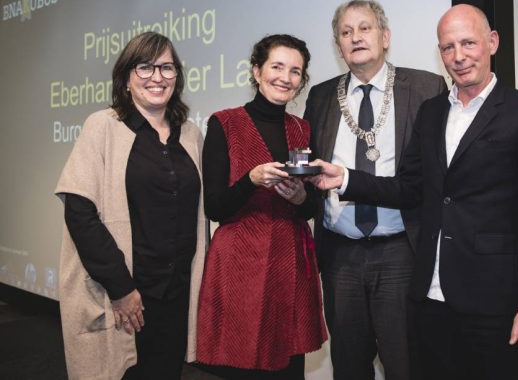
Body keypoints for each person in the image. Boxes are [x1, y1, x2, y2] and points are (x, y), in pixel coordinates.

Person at [310, 4, 518, 380]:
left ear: (492, 43)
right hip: (431, 297)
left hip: (494, 299)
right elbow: (409, 188)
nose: (458, 57)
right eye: (447, 47)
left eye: (468, 43)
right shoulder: (432, 112)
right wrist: (345, 179)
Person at [303, 0, 447, 380]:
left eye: (364, 28)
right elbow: (311, 172)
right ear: (338, 47)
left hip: (400, 251)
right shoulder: (320, 96)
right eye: (346, 33)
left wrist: (348, 179)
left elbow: (431, 180)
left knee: (406, 365)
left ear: (385, 37)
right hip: (340, 257)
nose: (355, 38)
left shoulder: (425, 87)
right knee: (349, 367)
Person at [55, 31, 207, 379]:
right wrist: (121, 288)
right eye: (145, 67)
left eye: (167, 68)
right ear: (125, 79)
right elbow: (79, 211)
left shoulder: (191, 134)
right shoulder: (103, 126)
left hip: (177, 292)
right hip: (125, 295)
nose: (157, 77)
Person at [196, 34, 327, 380]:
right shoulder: (223, 123)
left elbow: (312, 205)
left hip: (290, 263)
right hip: (240, 264)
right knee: (242, 366)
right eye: (277, 67)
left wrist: (301, 199)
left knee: (288, 368)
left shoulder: (302, 129)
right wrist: (250, 179)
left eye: (296, 71)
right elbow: (215, 208)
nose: (285, 77)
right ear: (256, 71)